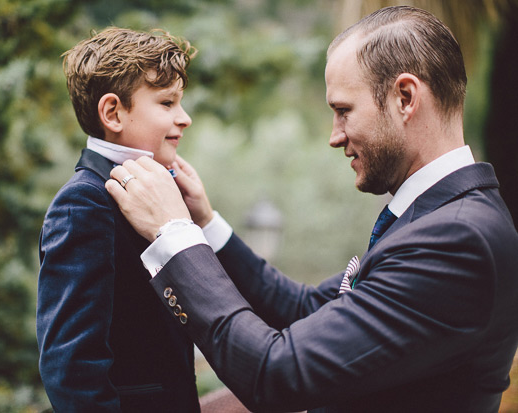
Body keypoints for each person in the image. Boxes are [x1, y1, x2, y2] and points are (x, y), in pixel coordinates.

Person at [105, 6, 518, 413]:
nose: (334, 137)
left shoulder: (459, 241)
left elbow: (276, 375)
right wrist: (205, 224)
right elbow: (303, 310)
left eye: (343, 111)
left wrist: (173, 234)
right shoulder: (436, 217)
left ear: (405, 98)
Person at [36, 27, 200, 412]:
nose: (185, 117)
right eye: (167, 103)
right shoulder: (83, 203)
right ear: (113, 112)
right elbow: (70, 364)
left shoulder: (158, 191)